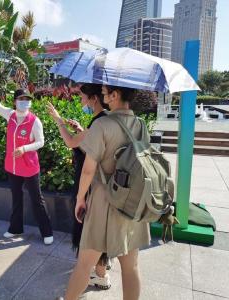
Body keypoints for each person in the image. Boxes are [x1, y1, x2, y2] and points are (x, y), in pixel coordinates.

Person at [63, 85, 151, 300]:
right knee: (131, 268)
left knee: (84, 265)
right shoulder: (140, 125)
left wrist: (80, 198)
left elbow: (88, 170)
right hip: (133, 202)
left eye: (105, 92)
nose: (102, 95)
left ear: (115, 94)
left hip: (105, 201)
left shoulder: (103, 124)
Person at [47, 83, 111, 290]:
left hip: (92, 186)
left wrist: (58, 120)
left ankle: (99, 275)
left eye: (83, 96)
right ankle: (101, 273)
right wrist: (83, 131)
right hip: (104, 185)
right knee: (99, 230)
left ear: (94, 98)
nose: (81, 100)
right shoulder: (106, 119)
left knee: (90, 230)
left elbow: (71, 142)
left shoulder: (99, 122)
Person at [0, 87, 54, 245]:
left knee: (37, 200)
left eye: (27, 100)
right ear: (15, 102)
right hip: (13, 167)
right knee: (16, 198)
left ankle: (47, 231)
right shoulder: (10, 115)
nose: (25, 102)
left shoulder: (34, 121)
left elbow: (41, 142)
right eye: (21, 99)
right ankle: (15, 228)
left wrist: (24, 148)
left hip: (29, 167)